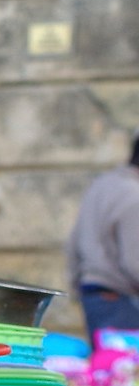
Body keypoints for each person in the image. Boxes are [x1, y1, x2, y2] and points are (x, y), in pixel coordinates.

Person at [69, 134, 139, 337]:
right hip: (120, 300)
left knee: (105, 364)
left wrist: (77, 289)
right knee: (124, 366)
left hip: (92, 295)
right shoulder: (134, 196)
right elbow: (135, 262)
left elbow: (73, 243)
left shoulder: (102, 185)